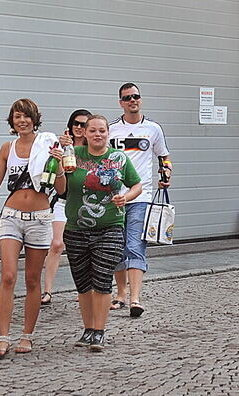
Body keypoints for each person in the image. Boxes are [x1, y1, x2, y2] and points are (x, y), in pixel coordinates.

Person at [54, 114, 142, 351]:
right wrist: (59, 167)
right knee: (83, 283)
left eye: (101, 130)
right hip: (76, 229)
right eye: (92, 130)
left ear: (108, 133)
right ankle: (88, 329)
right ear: (84, 133)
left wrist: (126, 197)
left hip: (110, 227)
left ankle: (99, 331)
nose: (97, 135)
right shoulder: (73, 156)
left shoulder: (119, 158)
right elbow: (61, 190)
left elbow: (137, 185)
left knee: (102, 280)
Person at [0, 99, 57, 357]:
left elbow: (63, 188)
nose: (21, 121)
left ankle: (27, 336)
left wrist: (60, 162)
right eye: (16, 117)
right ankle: (3, 337)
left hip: (40, 217)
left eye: (26, 116)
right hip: (12, 215)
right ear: (11, 121)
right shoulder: (7, 147)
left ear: (35, 119)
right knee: (8, 275)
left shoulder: (48, 145)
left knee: (32, 279)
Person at [108, 84, 172, 317]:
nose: (132, 100)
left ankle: (135, 299)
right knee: (117, 246)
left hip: (141, 197)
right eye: (127, 98)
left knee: (135, 245)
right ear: (121, 103)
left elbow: (164, 155)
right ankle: (120, 294)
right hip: (115, 197)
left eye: (136, 96)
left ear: (140, 100)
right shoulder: (112, 129)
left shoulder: (153, 129)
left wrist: (165, 175)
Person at [42, 109, 91, 306]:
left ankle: (86, 290)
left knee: (86, 247)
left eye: (83, 124)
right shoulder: (60, 146)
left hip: (86, 202)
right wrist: (59, 151)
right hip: (63, 200)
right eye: (76, 124)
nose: (79, 128)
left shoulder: (93, 148)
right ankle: (47, 291)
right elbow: (50, 172)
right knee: (56, 244)